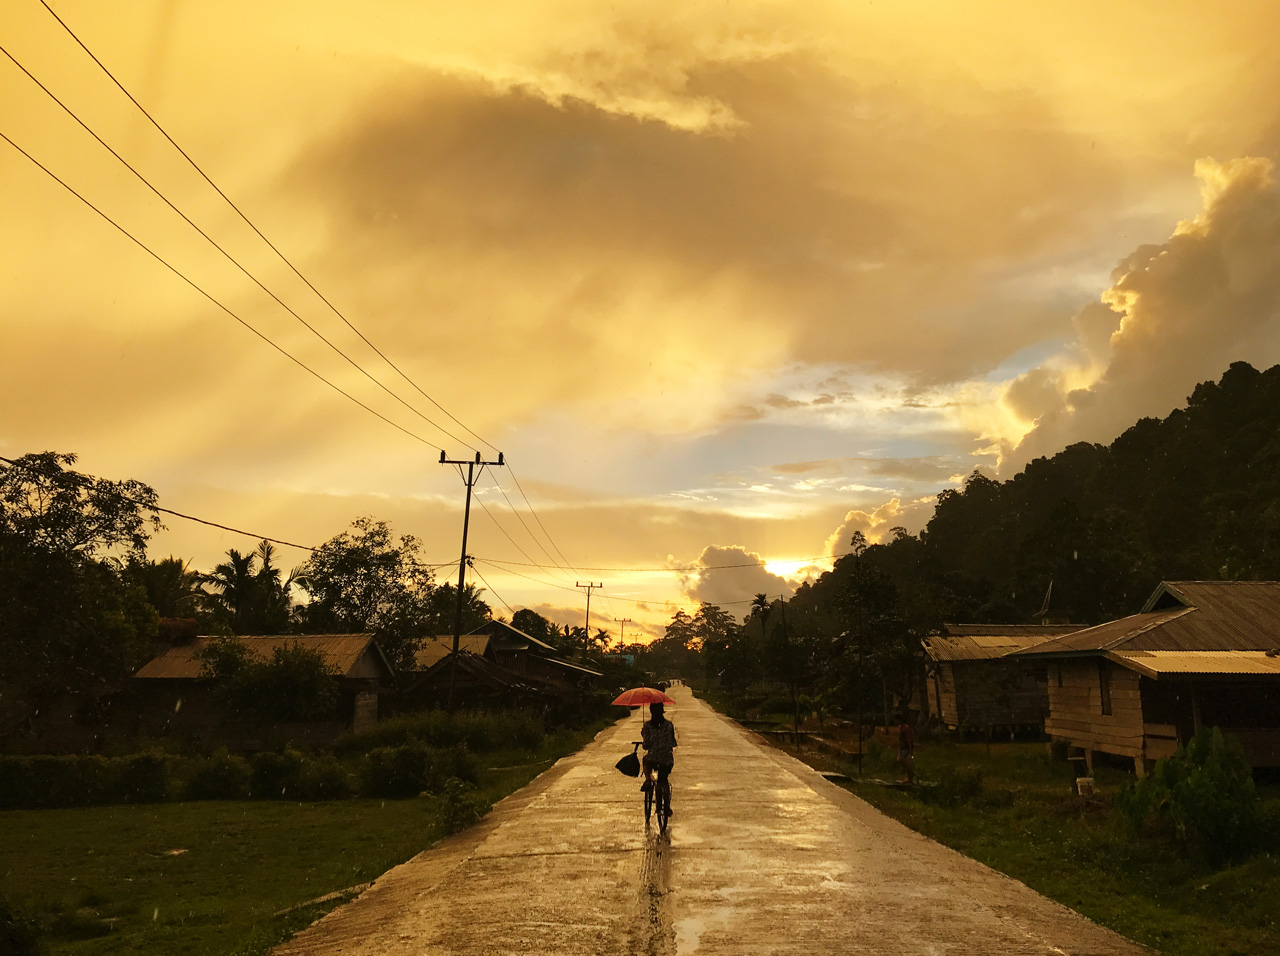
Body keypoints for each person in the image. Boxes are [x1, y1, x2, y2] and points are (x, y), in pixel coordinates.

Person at [640, 701, 678, 814]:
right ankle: (666, 806)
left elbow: (646, 746)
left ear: (651, 711)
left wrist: (644, 736)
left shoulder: (647, 726)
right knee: (663, 780)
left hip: (653, 759)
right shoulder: (669, 725)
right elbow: (673, 743)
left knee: (645, 759)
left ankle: (648, 780)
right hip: (667, 759)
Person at [897, 714, 915, 785]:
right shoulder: (900, 727)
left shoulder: (906, 728)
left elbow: (909, 739)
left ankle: (910, 776)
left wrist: (910, 749)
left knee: (904, 761)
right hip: (902, 747)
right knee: (900, 761)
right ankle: (910, 775)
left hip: (906, 747)